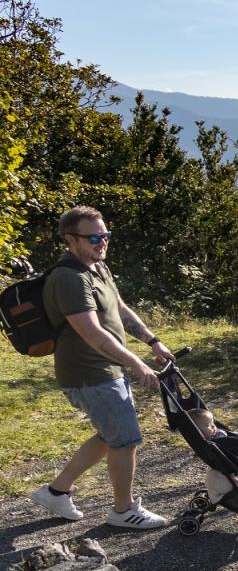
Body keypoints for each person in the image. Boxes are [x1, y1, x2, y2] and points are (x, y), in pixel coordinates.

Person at [30, 205, 175, 530]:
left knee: (112, 436)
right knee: (125, 440)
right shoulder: (68, 279)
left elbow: (120, 308)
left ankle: (57, 491)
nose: (102, 242)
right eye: (94, 236)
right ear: (71, 239)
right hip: (89, 374)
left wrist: (152, 341)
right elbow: (93, 334)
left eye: (106, 235)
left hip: (107, 369)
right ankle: (123, 512)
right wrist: (136, 363)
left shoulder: (98, 268)